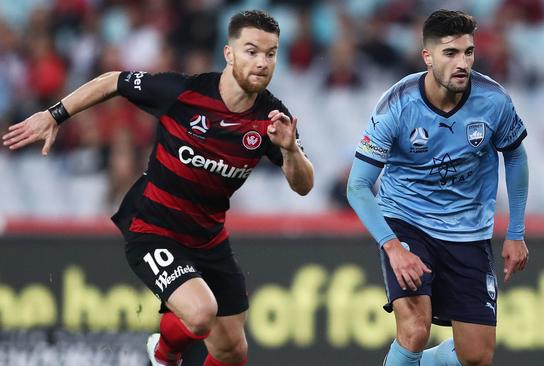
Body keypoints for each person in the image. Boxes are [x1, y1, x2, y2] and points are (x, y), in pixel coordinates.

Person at [3, 10, 314, 366]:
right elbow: (113, 80)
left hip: (208, 239)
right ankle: (163, 355)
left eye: (270, 54)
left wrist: (291, 150)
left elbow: (303, 186)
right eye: (251, 51)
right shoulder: (184, 93)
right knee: (200, 313)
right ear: (229, 54)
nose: (262, 63)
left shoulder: (273, 119)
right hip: (153, 228)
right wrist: (54, 115)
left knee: (232, 352)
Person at [347, 9, 529, 366]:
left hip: (468, 231)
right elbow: (358, 186)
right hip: (408, 221)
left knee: (476, 357)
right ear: (427, 57)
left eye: (468, 52)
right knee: (415, 328)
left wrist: (516, 231)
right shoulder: (397, 105)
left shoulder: (493, 101)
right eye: (450, 53)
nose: (462, 62)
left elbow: (516, 157)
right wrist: (393, 247)